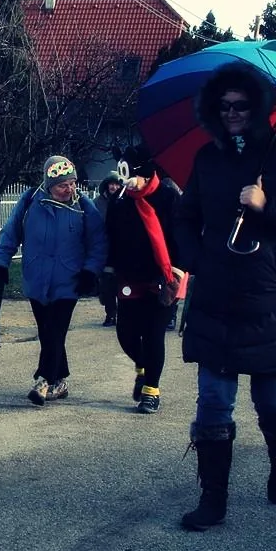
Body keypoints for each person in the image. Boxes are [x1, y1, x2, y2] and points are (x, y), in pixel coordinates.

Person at [170, 62, 276, 531]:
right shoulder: (207, 159)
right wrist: (197, 259)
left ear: (256, 108)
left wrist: (267, 205)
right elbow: (185, 217)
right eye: (224, 106)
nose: (232, 113)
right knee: (213, 402)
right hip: (216, 296)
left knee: (271, 402)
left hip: (271, 299)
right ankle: (213, 499)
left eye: (240, 105)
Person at [0, 155, 107, 407]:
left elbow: (98, 242)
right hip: (36, 280)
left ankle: (43, 380)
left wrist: (90, 271)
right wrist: (0, 263)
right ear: (49, 184)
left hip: (69, 281)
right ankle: (60, 381)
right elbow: (10, 233)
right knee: (47, 332)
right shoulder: (30, 201)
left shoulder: (84, 206)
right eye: (62, 185)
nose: (69, 189)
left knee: (55, 330)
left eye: (72, 183)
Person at [105, 146, 186, 415]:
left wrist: (176, 274)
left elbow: (181, 238)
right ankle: (142, 366)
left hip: (163, 278)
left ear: (146, 172)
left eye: (131, 175)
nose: (126, 182)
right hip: (129, 277)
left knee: (153, 334)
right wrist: (107, 274)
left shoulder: (168, 197)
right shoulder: (119, 202)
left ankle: (151, 390)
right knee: (126, 334)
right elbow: (111, 239)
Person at [93, 172, 126, 327]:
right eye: (111, 184)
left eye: (117, 184)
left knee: (123, 282)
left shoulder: (126, 201)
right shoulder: (97, 203)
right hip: (104, 248)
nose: (114, 187)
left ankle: (124, 314)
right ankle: (111, 314)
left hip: (122, 248)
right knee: (107, 283)